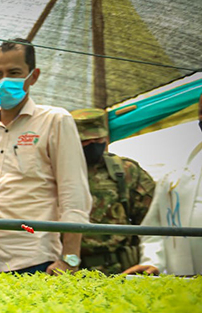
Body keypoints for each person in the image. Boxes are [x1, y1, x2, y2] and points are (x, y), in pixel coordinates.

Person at [0, 39, 92, 274]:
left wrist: (70, 259)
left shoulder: (54, 121)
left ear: (33, 76)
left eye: (14, 73)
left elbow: (73, 195)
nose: (4, 81)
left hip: (34, 262)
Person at [125, 93, 202, 276]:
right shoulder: (179, 165)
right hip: (182, 281)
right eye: (201, 112)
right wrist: (153, 262)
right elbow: (154, 227)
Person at [71, 108, 155, 274]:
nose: (93, 144)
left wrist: (151, 260)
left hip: (119, 269)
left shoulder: (126, 170)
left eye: (98, 138)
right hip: (68, 269)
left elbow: (151, 222)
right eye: (85, 140)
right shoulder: (53, 171)